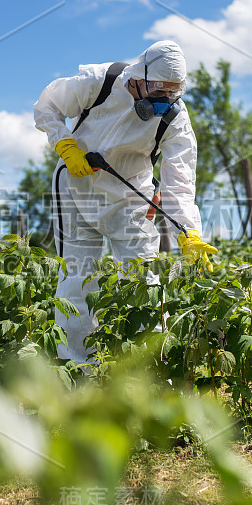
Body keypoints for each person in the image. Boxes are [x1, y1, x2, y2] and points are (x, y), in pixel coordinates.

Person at [33, 39, 217, 368]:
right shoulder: (100, 81)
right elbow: (47, 104)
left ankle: (154, 375)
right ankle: (78, 373)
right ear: (138, 75)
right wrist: (65, 144)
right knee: (77, 281)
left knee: (146, 282)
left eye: (172, 94)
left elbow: (180, 181)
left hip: (131, 196)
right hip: (77, 185)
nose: (164, 101)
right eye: (158, 91)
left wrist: (188, 231)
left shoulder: (176, 121)